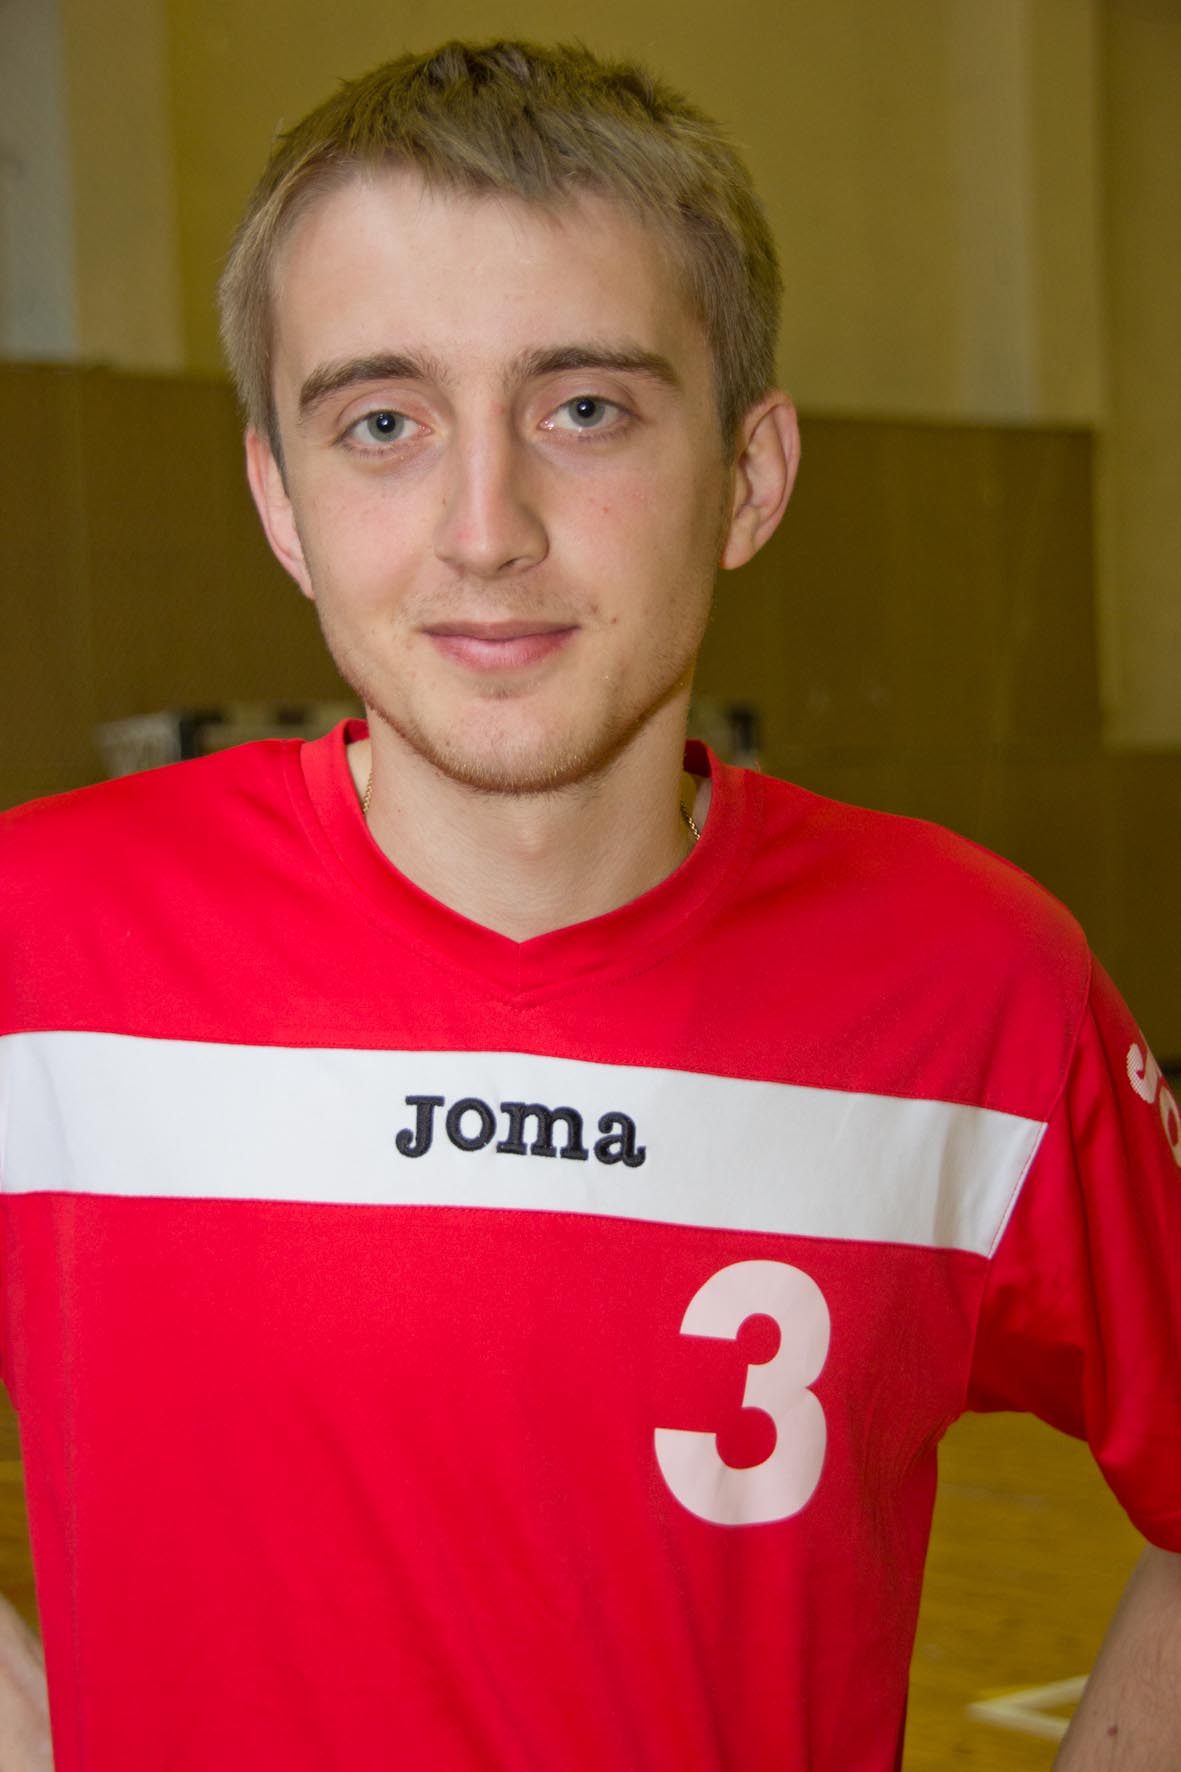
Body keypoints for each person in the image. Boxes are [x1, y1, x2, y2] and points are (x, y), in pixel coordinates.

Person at [0, 38, 1178, 1772]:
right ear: (279, 500)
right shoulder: (41, 942)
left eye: (584, 410)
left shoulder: (981, 989)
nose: (486, 529)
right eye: (382, 424)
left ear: (748, 476)